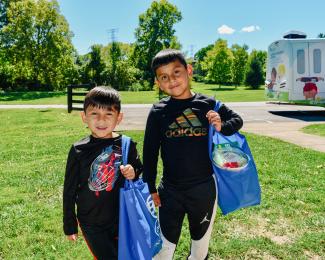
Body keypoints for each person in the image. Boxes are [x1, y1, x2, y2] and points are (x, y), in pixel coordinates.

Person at [143, 49, 243, 260]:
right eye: (164, 77)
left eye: (177, 72)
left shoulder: (208, 104)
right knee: (163, 249)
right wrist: (150, 188)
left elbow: (237, 120)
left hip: (204, 189)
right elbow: (150, 152)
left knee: (200, 249)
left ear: (189, 71)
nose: (172, 80)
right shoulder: (158, 111)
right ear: (158, 82)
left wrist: (220, 125)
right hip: (170, 190)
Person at [63, 86, 143, 259]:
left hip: (123, 217)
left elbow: (138, 170)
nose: (101, 120)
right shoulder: (78, 150)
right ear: (84, 117)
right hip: (91, 222)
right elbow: (69, 190)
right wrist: (70, 224)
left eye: (108, 114)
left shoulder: (126, 145)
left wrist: (132, 171)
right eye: (94, 114)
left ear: (119, 118)